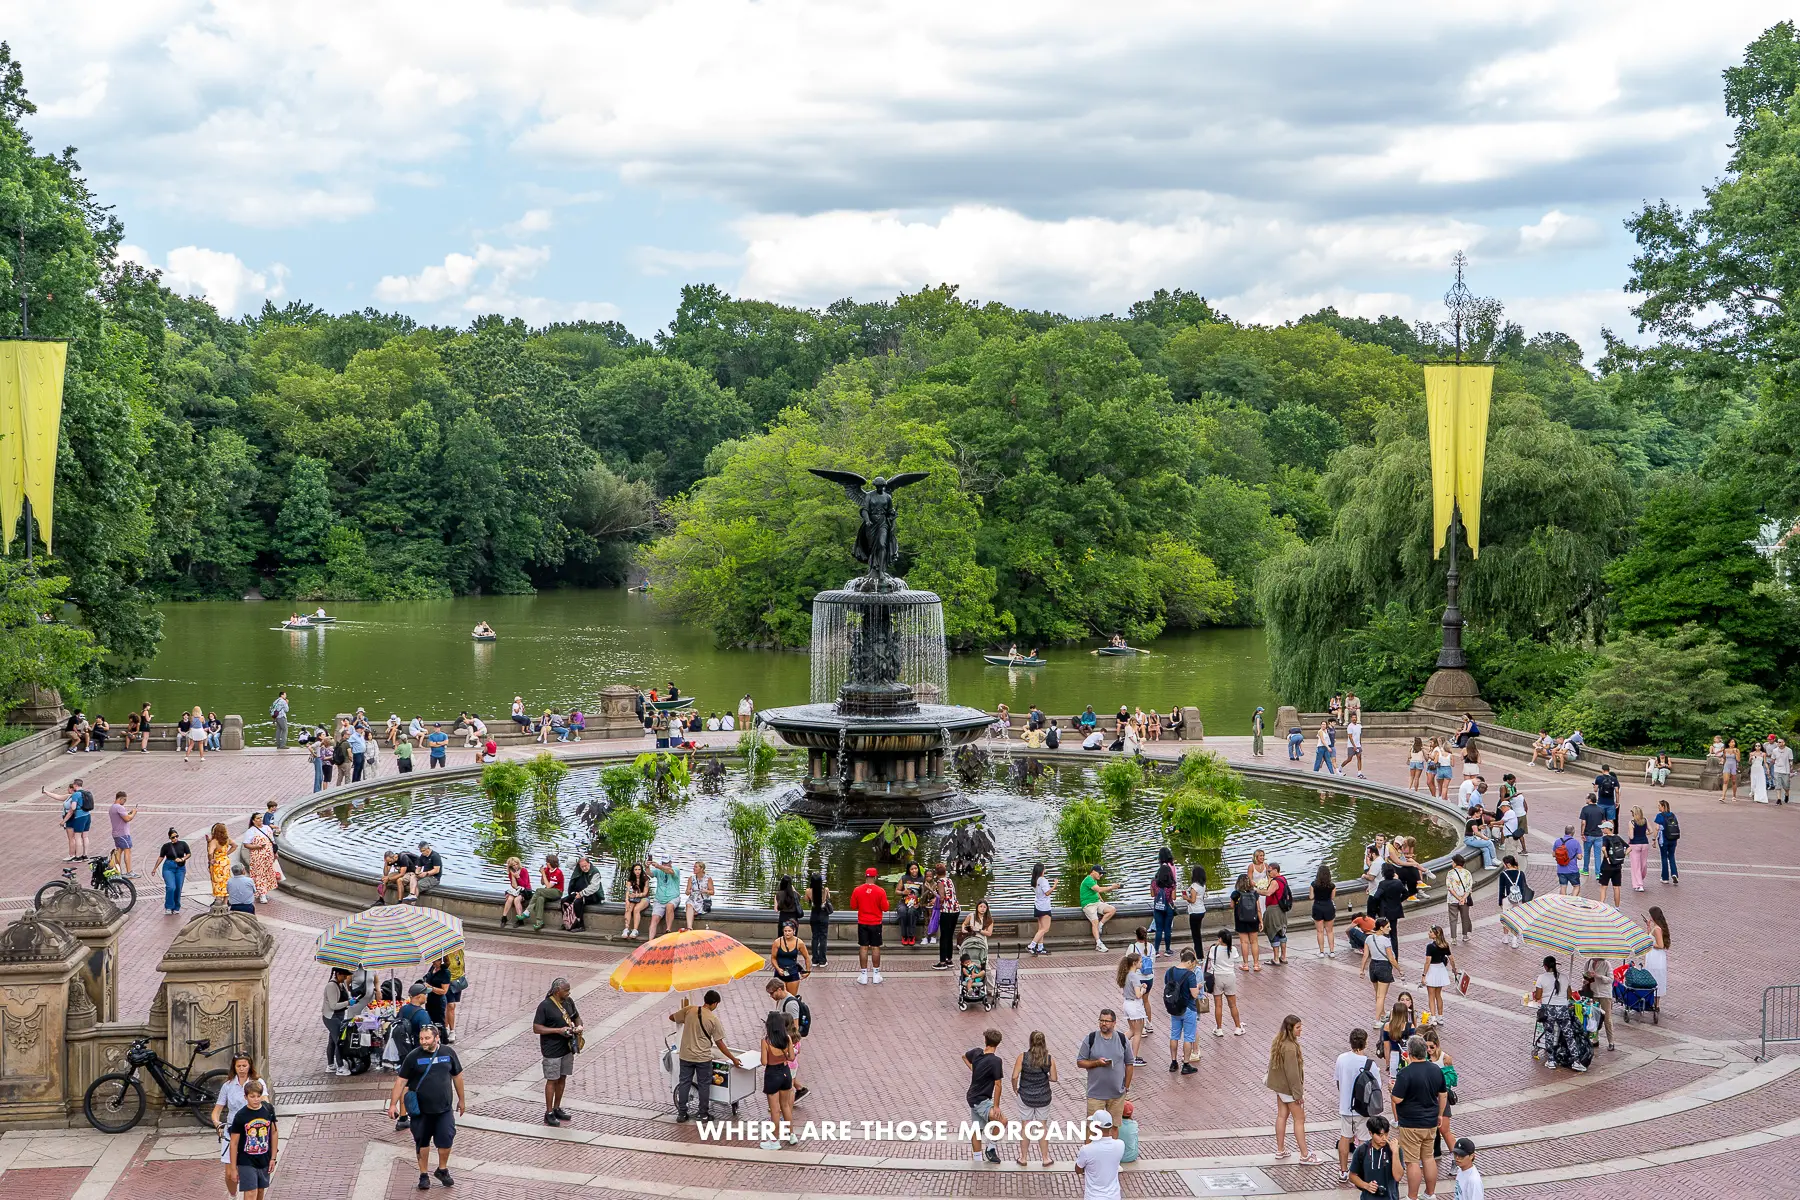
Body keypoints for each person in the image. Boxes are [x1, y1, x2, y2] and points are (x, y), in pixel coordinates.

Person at [387, 1023, 465, 1190]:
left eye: (427, 1038)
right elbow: (401, 1081)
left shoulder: (448, 1053)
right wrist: (393, 1104)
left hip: (444, 1109)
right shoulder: (413, 1057)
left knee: (446, 1139)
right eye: (421, 1038)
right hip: (421, 1111)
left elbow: (457, 1076)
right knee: (422, 1143)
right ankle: (423, 1175)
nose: (423, 1041)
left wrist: (462, 1100)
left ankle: (442, 1169)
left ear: (437, 1038)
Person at [1390, 1036, 1447, 1200]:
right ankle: (1430, 1193)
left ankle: (1412, 1196)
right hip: (1430, 1122)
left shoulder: (1405, 1073)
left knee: (1412, 1161)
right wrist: (1440, 1114)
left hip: (1411, 1123)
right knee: (1428, 1158)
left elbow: (1397, 1099)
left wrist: (1391, 1089)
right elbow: (1442, 1094)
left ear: (1410, 1053)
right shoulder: (1436, 1070)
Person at [671, 990, 737, 1122]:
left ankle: (682, 1114)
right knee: (704, 1085)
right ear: (715, 1003)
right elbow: (719, 1042)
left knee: (684, 1083)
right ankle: (703, 1114)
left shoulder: (690, 1010)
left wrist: (686, 1020)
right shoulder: (713, 1019)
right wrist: (733, 1058)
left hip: (685, 1055)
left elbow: (672, 1017)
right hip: (703, 1058)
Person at [212, 1052, 272, 1194]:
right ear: (234, 1067)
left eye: (244, 1065)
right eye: (238, 1066)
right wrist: (217, 1123)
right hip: (232, 1130)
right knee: (229, 1174)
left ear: (249, 1066)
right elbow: (216, 1111)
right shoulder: (227, 1086)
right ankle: (233, 1195)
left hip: (252, 1131)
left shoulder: (258, 1083)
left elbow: (266, 1105)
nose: (241, 1068)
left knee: (255, 1171)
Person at [1266, 1014, 1321, 1162]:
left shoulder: (1279, 1041)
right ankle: (1304, 1155)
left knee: (1282, 1115)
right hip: (1289, 1090)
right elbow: (1293, 1074)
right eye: (1298, 1027)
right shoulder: (1290, 1047)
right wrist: (1298, 1095)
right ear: (1290, 1029)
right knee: (1299, 1119)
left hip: (1280, 1087)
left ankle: (1280, 1149)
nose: (1300, 1030)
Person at [533, 977, 583, 1126]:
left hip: (567, 1048)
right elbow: (537, 1028)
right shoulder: (545, 1006)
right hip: (552, 1049)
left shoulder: (569, 1002)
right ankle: (548, 1112)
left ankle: (557, 1108)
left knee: (562, 1078)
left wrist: (578, 1026)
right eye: (566, 990)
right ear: (557, 991)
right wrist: (558, 1031)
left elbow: (576, 1017)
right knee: (552, 1080)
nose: (568, 992)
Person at [1335, 1029, 1382, 1183]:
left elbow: (1338, 1082)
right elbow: (1377, 1088)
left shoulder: (1341, 1059)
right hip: (1364, 1109)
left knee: (1345, 1137)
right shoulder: (1370, 1064)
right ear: (1365, 1043)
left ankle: (1343, 1171)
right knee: (1363, 1141)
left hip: (1346, 1107)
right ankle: (1361, 1171)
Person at [1075, 1008, 1133, 1131]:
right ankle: (1090, 1150)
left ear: (1114, 1023)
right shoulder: (1090, 1039)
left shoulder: (1122, 1040)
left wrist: (1126, 1087)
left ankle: (1112, 1150)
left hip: (1117, 1094)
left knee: (1114, 1128)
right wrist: (1096, 1063)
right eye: (1101, 1020)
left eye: (1107, 1021)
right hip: (1095, 1094)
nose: (1103, 1023)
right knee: (1092, 1129)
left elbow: (1129, 1064)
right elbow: (1080, 1062)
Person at [1532, 956, 1591, 1072]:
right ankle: (1576, 1061)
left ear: (1545, 966)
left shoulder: (1541, 978)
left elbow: (1538, 996)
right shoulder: (1564, 977)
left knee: (1549, 1034)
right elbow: (1569, 995)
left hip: (1548, 1009)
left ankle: (1551, 1060)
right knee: (1569, 1036)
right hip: (1563, 1009)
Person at [224, 1080, 277, 1200]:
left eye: (258, 1096)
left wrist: (273, 1158)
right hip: (246, 1160)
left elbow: (273, 1132)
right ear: (245, 1097)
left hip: (264, 1157)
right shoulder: (241, 1116)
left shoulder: (268, 1110)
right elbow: (234, 1143)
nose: (256, 1099)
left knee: (259, 1192)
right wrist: (233, 1168)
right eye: (252, 1096)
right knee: (251, 1192)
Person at [1011, 1030, 1058, 1167]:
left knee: (1026, 1125)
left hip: (1025, 1095)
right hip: (1044, 1096)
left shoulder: (1023, 1057)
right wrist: (1045, 1078)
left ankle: (1023, 1157)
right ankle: (1045, 1158)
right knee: (1042, 1126)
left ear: (1030, 1041)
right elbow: (1054, 1078)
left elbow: (1014, 1076)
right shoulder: (1049, 1059)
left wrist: (1015, 1088)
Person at [961, 1028, 1005, 1164]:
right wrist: (996, 1106)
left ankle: (977, 1160)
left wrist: (974, 1069)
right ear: (998, 1043)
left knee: (977, 1128)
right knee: (1002, 1121)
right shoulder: (996, 1061)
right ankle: (990, 1149)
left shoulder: (976, 1053)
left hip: (972, 1097)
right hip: (981, 1099)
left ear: (985, 1040)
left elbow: (964, 1057)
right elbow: (998, 1085)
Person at [761, 1009, 799, 1150]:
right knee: (785, 1106)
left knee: (775, 1109)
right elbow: (791, 1057)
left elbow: (764, 1062)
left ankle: (774, 1140)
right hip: (785, 1073)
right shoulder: (787, 1039)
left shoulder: (766, 1041)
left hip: (772, 1074)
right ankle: (791, 1134)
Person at [1163, 947, 1201, 1074]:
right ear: (1189, 962)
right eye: (1193, 964)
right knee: (1188, 1037)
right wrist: (1199, 986)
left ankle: (1173, 1062)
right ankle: (1186, 1064)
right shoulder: (1190, 975)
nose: (1192, 967)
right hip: (1188, 1008)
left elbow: (1167, 986)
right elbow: (1194, 994)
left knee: (1174, 1035)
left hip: (1174, 1008)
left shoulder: (1170, 971)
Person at [1074, 1109, 1126, 1200]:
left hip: (1093, 1196)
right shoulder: (1120, 1145)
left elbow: (1078, 1170)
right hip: (1114, 1196)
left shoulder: (1086, 1150)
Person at [851, 866, 889, 984]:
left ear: (865, 877)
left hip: (863, 922)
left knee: (863, 947)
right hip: (876, 923)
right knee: (875, 947)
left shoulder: (857, 890)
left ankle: (863, 975)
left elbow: (853, 906)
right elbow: (885, 907)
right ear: (875, 877)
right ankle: (876, 974)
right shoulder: (880, 891)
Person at [1349, 1116, 1401, 1199]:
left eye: (1386, 1134)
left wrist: (1395, 1153)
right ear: (1370, 1133)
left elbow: (1398, 1176)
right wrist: (1366, 1186)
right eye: (1380, 1135)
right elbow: (1352, 1176)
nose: (1384, 1138)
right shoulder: (1361, 1150)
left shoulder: (1394, 1150)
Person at [1206, 928, 1243, 1037]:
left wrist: (1217, 944)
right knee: (1233, 1005)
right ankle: (1237, 1027)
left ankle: (1219, 1029)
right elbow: (1235, 959)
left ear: (1220, 939)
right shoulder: (1233, 949)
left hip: (1217, 977)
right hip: (1230, 977)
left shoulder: (1214, 949)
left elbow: (1209, 958)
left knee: (1218, 1005)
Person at [1363, 918, 1399, 1021]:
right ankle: (1377, 1019)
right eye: (1387, 927)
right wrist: (1399, 969)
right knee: (1381, 996)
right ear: (1381, 928)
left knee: (1378, 994)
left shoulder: (1369, 938)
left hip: (1373, 966)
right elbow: (1391, 958)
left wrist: (1362, 970)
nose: (1390, 929)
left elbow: (1365, 955)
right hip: (1383, 966)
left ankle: (1382, 1013)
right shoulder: (1386, 940)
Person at [1419, 926, 1459, 1020]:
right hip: (1441, 969)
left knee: (1431, 996)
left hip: (1432, 970)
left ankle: (1433, 1018)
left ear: (1436, 934)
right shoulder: (1445, 945)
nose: (1429, 933)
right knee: (1438, 995)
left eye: (1430, 932)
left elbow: (1428, 961)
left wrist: (1424, 975)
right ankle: (1440, 1017)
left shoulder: (1430, 946)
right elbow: (1451, 958)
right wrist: (1454, 969)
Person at [50, 779, 93, 861]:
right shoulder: (86, 793)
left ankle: (78, 856)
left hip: (80, 817)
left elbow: (72, 808)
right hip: (87, 815)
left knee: (77, 837)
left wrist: (64, 821)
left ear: (75, 785)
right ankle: (85, 855)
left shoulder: (76, 794)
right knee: (85, 836)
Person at [321, 969, 353, 1076]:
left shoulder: (341, 984)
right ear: (338, 974)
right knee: (339, 1040)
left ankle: (330, 1065)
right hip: (331, 1017)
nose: (345, 978)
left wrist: (350, 1001)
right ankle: (340, 1067)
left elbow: (346, 998)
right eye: (344, 976)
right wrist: (348, 1002)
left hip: (339, 1015)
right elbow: (333, 1006)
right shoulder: (331, 986)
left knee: (332, 1040)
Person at [242, 812, 280, 902]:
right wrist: (257, 847)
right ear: (253, 821)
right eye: (258, 818)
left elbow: (272, 841)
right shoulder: (251, 831)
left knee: (267, 873)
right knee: (259, 874)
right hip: (257, 856)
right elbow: (246, 844)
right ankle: (262, 894)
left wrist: (275, 852)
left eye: (261, 818)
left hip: (268, 855)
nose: (260, 820)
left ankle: (262, 891)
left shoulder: (267, 828)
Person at [1230, 872, 1262, 971]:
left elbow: (1232, 906)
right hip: (1253, 919)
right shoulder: (1254, 893)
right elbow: (1258, 909)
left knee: (1244, 942)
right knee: (1254, 942)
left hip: (1241, 920)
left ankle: (1245, 965)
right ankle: (1256, 964)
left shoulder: (1235, 894)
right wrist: (1261, 921)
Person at [1081, 865, 1118, 951]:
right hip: (1088, 904)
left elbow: (1097, 892)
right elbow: (1098, 889)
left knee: (1112, 909)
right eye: (1099, 873)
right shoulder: (1088, 879)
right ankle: (1098, 943)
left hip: (1096, 902)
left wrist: (1103, 901)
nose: (1101, 875)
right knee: (1095, 921)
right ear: (1093, 871)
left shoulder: (1094, 880)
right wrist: (1111, 887)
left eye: (1102, 874)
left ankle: (1100, 925)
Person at [770, 920, 812, 995]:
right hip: (780, 972)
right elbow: (773, 958)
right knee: (780, 997)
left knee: (791, 997)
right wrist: (778, 969)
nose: (787, 933)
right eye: (785, 931)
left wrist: (808, 971)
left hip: (793, 972)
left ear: (794, 931)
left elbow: (807, 957)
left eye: (789, 931)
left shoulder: (799, 943)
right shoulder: (777, 942)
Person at [526, 853, 566, 931]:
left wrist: (544, 874)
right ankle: (539, 921)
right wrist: (542, 874)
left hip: (557, 892)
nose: (546, 864)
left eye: (547, 862)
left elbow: (548, 886)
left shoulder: (558, 872)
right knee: (540, 899)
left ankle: (528, 910)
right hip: (549, 891)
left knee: (538, 890)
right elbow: (542, 883)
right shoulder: (547, 870)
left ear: (550, 863)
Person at [1262, 862, 1291, 965]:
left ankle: (1275, 958)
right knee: (1282, 932)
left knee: (1273, 932)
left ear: (1275, 870)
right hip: (1281, 910)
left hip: (1274, 910)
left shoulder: (1275, 882)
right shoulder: (1283, 879)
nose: (1268, 873)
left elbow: (1269, 892)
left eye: (1269, 871)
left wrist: (1257, 891)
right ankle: (1283, 957)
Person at [1496, 855, 1528, 949]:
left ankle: (1505, 938)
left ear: (1508, 864)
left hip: (1507, 898)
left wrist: (1500, 902)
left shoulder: (1503, 874)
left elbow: (1501, 889)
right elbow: (1523, 887)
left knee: (1506, 918)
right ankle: (1514, 940)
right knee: (1516, 919)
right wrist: (1523, 899)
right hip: (1518, 899)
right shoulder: (1520, 873)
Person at [931, 862, 958, 966]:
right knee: (950, 935)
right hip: (955, 909)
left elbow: (942, 897)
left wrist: (934, 894)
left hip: (946, 911)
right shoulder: (949, 880)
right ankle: (949, 959)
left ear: (936, 873)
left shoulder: (940, 882)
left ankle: (942, 962)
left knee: (943, 936)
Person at [566, 855, 603, 931]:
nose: (584, 868)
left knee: (578, 902)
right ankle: (567, 922)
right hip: (580, 893)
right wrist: (574, 893)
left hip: (594, 896)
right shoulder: (579, 870)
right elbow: (569, 864)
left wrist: (581, 894)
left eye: (585, 866)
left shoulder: (595, 872)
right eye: (582, 867)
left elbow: (593, 888)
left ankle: (580, 925)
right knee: (565, 900)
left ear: (589, 864)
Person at [159, 827, 191, 915]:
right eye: (173, 837)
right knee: (171, 887)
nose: (175, 838)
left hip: (180, 868)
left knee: (178, 887)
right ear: (170, 838)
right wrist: (155, 868)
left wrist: (183, 859)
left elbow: (188, 853)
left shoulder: (183, 844)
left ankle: (176, 906)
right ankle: (169, 906)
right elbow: (161, 857)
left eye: (176, 836)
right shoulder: (166, 846)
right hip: (169, 867)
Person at [648, 855, 680, 938]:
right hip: (660, 899)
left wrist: (658, 866)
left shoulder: (675, 869)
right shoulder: (658, 871)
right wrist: (647, 866)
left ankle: (668, 929)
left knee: (669, 906)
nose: (665, 865)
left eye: (666, 863)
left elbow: (670, 871)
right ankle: (650, 941)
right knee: (654, 919)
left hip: (672, 897)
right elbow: (650, 874)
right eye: (663, 863)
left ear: (670, 862)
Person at [1444, 855, 1474, 944]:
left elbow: (1449, 888)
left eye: (1452, 862)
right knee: (1465, 917)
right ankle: (1465, 936)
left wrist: (1458, 898)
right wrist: (1463, 898)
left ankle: (1454, 939)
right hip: (1464, 900)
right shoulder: (1467, 873)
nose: (1452, 863)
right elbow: (1469, 888)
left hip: (1452, 900)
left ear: (1455, 862)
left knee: (1453, 919)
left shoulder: (1450, 873)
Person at [108, 791, 138, 877]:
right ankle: (129, 871)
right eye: (124, 800)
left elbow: (121, 818)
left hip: (116, 833)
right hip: (123, 833)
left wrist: (128, 814)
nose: (124, 802)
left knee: (119, 851)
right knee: (127, 850)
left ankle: (118, 870)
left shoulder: (112, 807)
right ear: (121, 799)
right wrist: (134, 813)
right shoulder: (119, 807)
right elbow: (127, 819)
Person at [1597, 821, 1628, 906]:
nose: (1602, 830)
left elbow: (1603, 849)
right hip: (1617, 866)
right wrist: (1623, 855)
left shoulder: (1605, 838)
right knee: (1616, 887)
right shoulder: (1617, 837)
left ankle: (1602, 905)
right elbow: (1629, 848)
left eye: (1603, 828)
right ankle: (1617, 907)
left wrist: (1607, 857)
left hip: (1606, 867)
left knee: (1603, 886)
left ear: (1607, 829)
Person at [1644, 906, 1671, 1000]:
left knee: (1654, 977)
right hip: (1655, 956)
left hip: (1655, 957)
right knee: (1655, 977)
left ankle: (1655, 1003)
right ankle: (1654, 1002)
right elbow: (1650, 937)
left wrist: (1650, 943)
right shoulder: (1655, 928)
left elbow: (1660, 945)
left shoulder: (1657, 929)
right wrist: (1648, 926)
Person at [1028, 863, 1055, 956]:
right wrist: (1055, 885)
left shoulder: (1035, 880)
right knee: (1045, 928)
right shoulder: (1043, 880)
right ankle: (1032, 945)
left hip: (1038, 905)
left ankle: (1040, 948)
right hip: (1045, 906)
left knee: (1041, 928)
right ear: (1042, 870)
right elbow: (1047, 893)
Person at [1654, 799, 1681, 885]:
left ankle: (1665, 877)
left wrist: (1654, 839)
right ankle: (1674, 873)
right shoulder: (1673, 815)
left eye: (1659, 806)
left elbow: (1657, 828)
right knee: (1672, 856)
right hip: (1673, 839)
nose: (1658, 807)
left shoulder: (1659, 816)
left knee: (1664, 857)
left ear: (1663, 806)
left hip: (1664, 839)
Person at [621, 862, 651, 937]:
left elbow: (645, 892)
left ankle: (635, 930)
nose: (637, 871)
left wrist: (638, 895)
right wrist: (627, 900)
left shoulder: (645, 878)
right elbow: (628, 890)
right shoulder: (630, 879)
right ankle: (626, 928)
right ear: (633, 871)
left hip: (644, 897)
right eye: (636, 869)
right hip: (633, 897)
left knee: (636, 909)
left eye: (639, 869)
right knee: (628, 908)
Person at [206, 822, 235, 900]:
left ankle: (218, 899)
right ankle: (225, 901)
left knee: (217, 881)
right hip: (225, 861)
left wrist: (211, 860)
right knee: (226, 880)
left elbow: (210, 852)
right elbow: (234, 846)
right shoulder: (227, 839)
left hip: (217, 863)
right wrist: (226, 853)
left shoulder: (214, 841)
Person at [1184, 863, 1208, 954]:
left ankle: (1199, 954)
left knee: (1195, 935)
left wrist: (1186, 898)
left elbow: (1193, 900)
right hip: (1202, 910)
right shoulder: (1203, 885)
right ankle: (1199, 953)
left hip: (1194, 912)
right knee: (1198, 933)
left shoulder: (1194, 886)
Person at [1552, 825, 1583, 895]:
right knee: (1576, 886)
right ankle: (1572, 900)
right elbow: (1579, 857)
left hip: (1561, 869)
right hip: (1572, 869)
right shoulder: (1575, 842)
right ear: (1573, 832)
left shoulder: (1557, 841)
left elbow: (1554, 854)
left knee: (1563, 887)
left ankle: (1564, 902)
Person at [501, 856, 530, 926]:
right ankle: (504, 917)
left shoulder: (524, 870)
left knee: (516, 900)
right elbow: (514, 886)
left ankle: (520, 920)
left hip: (526, 890)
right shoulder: (511, 873)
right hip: (516, 890)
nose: (515, 866)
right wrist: (513, 876)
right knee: (510, 899)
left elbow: (525, 884)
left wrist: (518, 877)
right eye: (513, 865)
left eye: (516, 864)